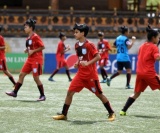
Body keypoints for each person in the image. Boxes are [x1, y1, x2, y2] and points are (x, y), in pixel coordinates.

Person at [52, 23, 115, 121]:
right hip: (80, 75)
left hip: (91, 76)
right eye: (74, 32)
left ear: (83, 33)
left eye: (76, 32)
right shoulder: (77, 45)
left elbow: (98, 56)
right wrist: (78, 63)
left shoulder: (90, 45)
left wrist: (88, 63)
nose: (74, 34)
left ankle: (111, 113)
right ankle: (64, 114)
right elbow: (80, 57)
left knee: (99, 95)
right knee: (69, 93)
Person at [120, 25, 160, 116]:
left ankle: (123, 110)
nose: (158, 39)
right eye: (158, 37)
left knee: (136, 93)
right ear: (153, 38)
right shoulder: (154, 47)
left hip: (140, 73)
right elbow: (157, 57)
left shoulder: (142, 46)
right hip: (149, 73)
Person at [5, 18, 46, 101]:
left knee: (36, 78)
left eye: (26, 27)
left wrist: (33, 51)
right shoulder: (28, 38)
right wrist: (27, 50)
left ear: (31, 28)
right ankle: (15, 92)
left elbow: (43, 47)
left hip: (36, 60)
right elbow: (31, 48)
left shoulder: (36, 37)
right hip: (29, 59)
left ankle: (42, 95)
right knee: (21, 75)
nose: (24, 28)